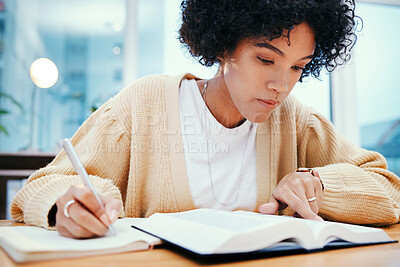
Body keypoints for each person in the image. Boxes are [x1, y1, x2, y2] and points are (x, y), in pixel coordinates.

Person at [10, 0, 400, 239]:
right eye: (265, 59)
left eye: (298, 67)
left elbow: (388, 191)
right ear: (223, 45)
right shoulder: (145, 104)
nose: (282, 86)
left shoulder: (295, 121)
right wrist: (75, 205)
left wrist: (318, 185)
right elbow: (45, 185)